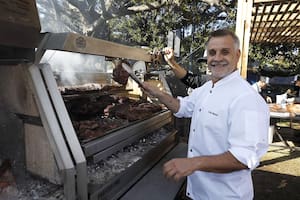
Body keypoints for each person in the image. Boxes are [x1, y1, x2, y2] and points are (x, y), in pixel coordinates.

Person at [141, 29, 270, 199]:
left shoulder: (247, 99)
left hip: (225, 196)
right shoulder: (206, 88)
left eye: (225, 52)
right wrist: (157, 93)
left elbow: (243, 158)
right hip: (197, 191)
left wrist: (194, 163)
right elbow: (182, 107)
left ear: (237, 55)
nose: (217, 58)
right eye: (212, 53)